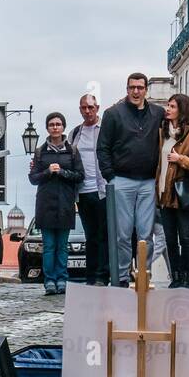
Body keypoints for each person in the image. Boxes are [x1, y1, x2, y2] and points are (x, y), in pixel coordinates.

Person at [97, 73, 163, 285]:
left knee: (146, 236)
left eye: (140, 87)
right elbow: (103, 147)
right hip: (121, 180)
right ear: (127, 89)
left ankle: (143, 275)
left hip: (148, 181)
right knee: (122, 235)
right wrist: (111, 176)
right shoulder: (113, 114)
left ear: (146, 90)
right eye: (132, 87)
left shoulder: (158, 113)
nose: (136, 91)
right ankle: (122, 277)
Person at [155, 93, 189, 289]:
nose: (167, 109)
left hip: (183, 195)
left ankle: (186, 276)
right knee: (169, 239)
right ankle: (175, 276)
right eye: (167, 105)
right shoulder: (163, 134)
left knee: (185, 237)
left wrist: (181, 160)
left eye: (173, 106)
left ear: (182, 110)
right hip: (164, 194)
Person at [29, 112, 84, 295]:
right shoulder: (40, 151)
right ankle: (49, 280)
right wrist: (47, 172)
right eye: (51, 124)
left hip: (65, 204)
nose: (55, 127)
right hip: (45, 204)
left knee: (62, 246)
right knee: (49, 246)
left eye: (58, 124)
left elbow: (80, 176)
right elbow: (33, 178)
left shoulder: (72, 151)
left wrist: (62, 172)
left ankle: (62, 279)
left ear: (63, 127)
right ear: (47, 128)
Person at [70, 94, 109, 285]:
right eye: (84, 108)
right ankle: (91, 275)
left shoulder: (105, 130)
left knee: (104, 234)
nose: (87, 111)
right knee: (90, 234)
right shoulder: (75, 132)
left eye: (91, 108)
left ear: (97, 108)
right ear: (80, 109)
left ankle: (103, 275)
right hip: (83, 191)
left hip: (102, 189)